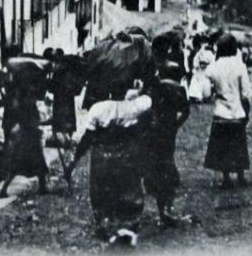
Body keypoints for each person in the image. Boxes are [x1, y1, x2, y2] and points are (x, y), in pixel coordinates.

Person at [64, 79, 153, 244]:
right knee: (129, 187)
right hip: (127, 154)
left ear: (108, 91)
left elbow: (87, 138)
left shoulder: (98, 108)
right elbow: (149, 98)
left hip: (103, 155)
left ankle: (103, 223)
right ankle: (128, 222)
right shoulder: (135, 106)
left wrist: (74, 161)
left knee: (101, 189)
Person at [144, 35, 191, 225]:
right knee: (166, 161)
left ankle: (160, 205)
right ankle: (166, 206)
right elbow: (185, 108)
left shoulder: (148, 72)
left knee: (152, 162)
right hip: (168, 125)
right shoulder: (174, 70)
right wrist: (175, 125)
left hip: (151, 125)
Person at [203, 34, 252, 189]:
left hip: (221, 111)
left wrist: (216, 92)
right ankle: (241, 176)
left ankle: (226, 179)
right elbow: (246, 93)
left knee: (223, 146)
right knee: (239, 145)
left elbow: (205, 93)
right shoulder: (240, 66)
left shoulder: (213, 67)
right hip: (237, 111)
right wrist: (246, 110)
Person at [0, 62, 50, 197]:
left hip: (27, 130)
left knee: (22, 163)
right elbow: (25, 112)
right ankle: (4, 189)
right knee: (34, 162)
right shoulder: (24, 93)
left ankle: (5, 189)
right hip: (28, 131)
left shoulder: (20, 90)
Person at [187, 38, 214, 103]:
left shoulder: (211, 54)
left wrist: (206, 65)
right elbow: (195, 64)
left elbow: (213, 64)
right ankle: (196, 96)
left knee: (206, 83)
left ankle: (205, 96)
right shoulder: (198, 54)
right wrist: (200, 65)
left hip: (206, 72)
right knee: (196, 81)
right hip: (199, 72)